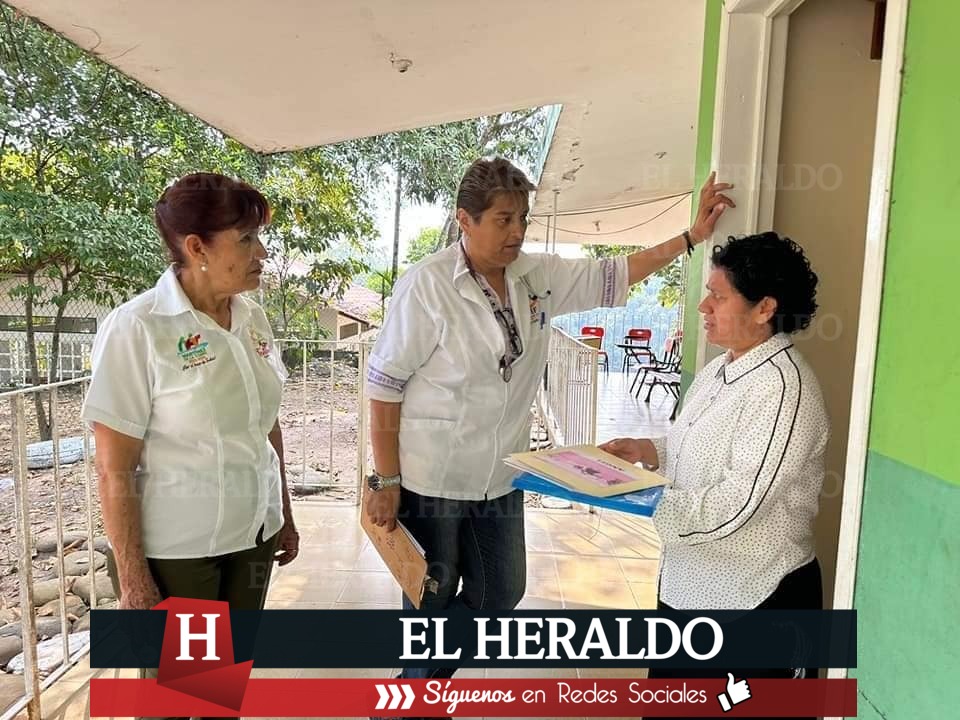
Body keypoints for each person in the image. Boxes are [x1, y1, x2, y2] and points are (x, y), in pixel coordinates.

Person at [364, 157, 734, 695]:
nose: (516, 232)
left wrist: (691, 237)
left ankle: (414, 682)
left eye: (522, 219)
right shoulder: (427, 286)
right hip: (432, 476)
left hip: (502, 474)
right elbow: (384, 385)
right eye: (503, 219)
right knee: (432, 596)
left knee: (501, 593)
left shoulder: (536, 275)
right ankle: (414, 694)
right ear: (465, 220)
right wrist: (386, 479)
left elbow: (615, 273)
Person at [600, 231, 829, 720]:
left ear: (764, 308)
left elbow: (737, 503)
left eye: (719, 297)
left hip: (754, 599)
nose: (704, 306)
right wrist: (647, 451)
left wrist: (636, 496)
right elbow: (693, 446)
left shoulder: (783, 389)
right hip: (688, 589)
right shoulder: (718, 371)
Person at [82, 172, 298, 623]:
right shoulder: (139, 327)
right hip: (182, 551)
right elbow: (113, 466)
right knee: (194, 670)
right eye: (246, 239)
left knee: (235, 662)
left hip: (255, 533)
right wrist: (133, 578)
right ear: (197, 247)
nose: (261, 252)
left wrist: (283, 513)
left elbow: (265, 424)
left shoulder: (251, 317)